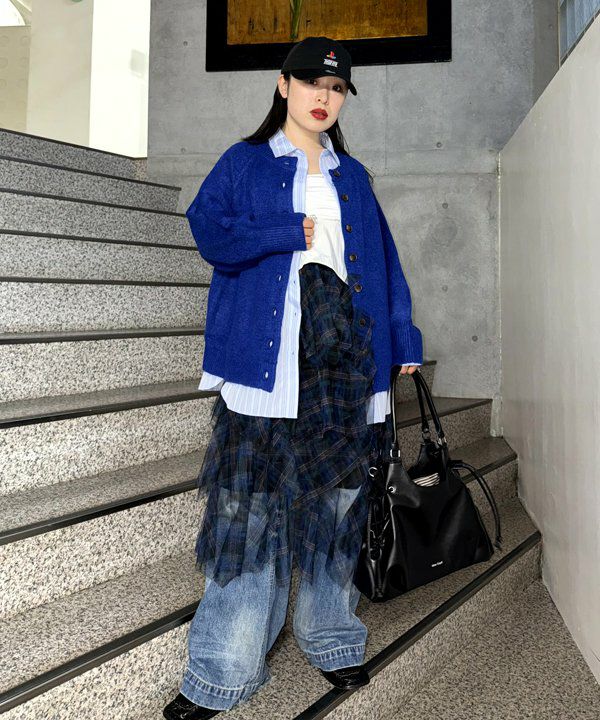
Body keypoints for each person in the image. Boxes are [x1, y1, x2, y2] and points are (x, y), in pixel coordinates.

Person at [163, 36, 423, 720]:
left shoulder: (353, 175)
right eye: (311, 84)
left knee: (337, 509)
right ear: (283, 86)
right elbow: (209, 232)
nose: (323, 98)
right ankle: (223, 671)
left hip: (344, 363)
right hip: (268, 362)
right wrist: (279, 231)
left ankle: (332, 637)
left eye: (335, 89)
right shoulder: (245, 162)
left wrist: (404, 338)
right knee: (249, 513)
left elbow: (386, 266)